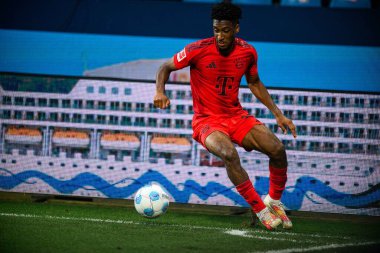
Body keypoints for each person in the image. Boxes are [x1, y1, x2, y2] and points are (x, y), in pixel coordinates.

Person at [153, 2, 296, 230]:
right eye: (216, 30)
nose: (220, 35)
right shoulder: (197, 50)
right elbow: (165, 67)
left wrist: (278, 114)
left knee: (277, 150)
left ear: (236, 28)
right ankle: (260, 209)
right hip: (207, 121)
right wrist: (160, 91)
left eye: (225, 30)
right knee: (229, 154)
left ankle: (273, 202)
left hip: (236, 117)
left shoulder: (247, 52)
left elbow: (254, 82)